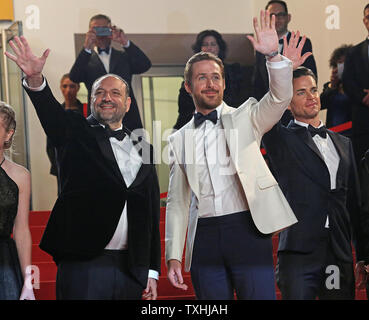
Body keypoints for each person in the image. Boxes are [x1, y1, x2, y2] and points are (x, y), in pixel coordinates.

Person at [165, 11, 312, 300]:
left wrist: (273, 57)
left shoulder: (248, 116)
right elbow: (178, 201)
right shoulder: (177, 138)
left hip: (248, 230)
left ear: (224, 83)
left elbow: (279, 99)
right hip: (204, 237)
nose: (210, 83)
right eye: (202, 78)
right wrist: (173, 255)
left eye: (216, 77)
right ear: (188, 87)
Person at [5, 36, 161, 300]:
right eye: (99, 92)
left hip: (132, 266)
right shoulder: (74, 130)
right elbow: (51, 114)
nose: (106, 98)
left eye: (115, 93)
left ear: (128, 103)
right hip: (84, 262)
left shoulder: (143, 146)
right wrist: (35, 79)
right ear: (91, 99)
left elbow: (150, 210)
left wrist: (152, 270)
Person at [262, 67, 369, 300]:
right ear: (287, 104)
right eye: (300, 92)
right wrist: (277, 65)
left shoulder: (344, 144)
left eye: (313, 90)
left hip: (338, 255)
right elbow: (266, 111)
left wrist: (363, 254)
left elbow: (355, 204)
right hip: (298, 254)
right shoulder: (280, 139)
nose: (311, 96)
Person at [69, 14, 151, 132]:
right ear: (90, 32)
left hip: (128, 120)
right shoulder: (86, 60)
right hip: (98, 121)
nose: (100, 33)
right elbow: (74, 77)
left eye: (104, 29)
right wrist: (87, 46)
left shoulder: (124, 57)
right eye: (96, 29)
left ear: (111, 30)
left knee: (136, 150)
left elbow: (145, 65)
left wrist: (125, 42)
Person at [253, 0, 317, 125]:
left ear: (288, 17)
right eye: (272, 16)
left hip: (295, 113)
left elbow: (311, 78)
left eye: (280, 15)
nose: (276, 19)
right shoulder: (261, 47)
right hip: (269, 114)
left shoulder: (301, 43)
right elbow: (258, 81)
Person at [172, 29, 250, 130]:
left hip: (228, 124)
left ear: (219, 48)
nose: (209, 48)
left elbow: (240, 99)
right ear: (200, 49)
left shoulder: (233, 71)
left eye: (213, 44)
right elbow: (184, 108)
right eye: (205, 44)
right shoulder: (191, 74)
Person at [0, 101, 35, 300]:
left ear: (8, 134)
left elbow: (21, 230)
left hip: (3, 260)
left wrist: (29, 282)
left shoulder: (20, 176)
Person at [46, 74, 85, 194]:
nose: (68, 90)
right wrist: (58, 165)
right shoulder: (56, 113)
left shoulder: (87, 112)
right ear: (60, 88)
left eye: (72, 86)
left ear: (78, 88)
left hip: (84, 167)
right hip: (62, 166)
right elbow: (50, 144)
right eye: (65, 86)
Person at [342, 3, 369, 167]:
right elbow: (347, 82)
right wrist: (364, 97)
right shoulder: (353, 52)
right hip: (362, 123)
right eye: (367, 17)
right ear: (364, 21)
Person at [320, 45, 353, 136]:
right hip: (333, 135)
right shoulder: (330, 86)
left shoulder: (358, 86)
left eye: (343, 64)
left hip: (353, 134)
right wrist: (332, 86)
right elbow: (320, 104)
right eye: (338, 64)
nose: (339, 68)